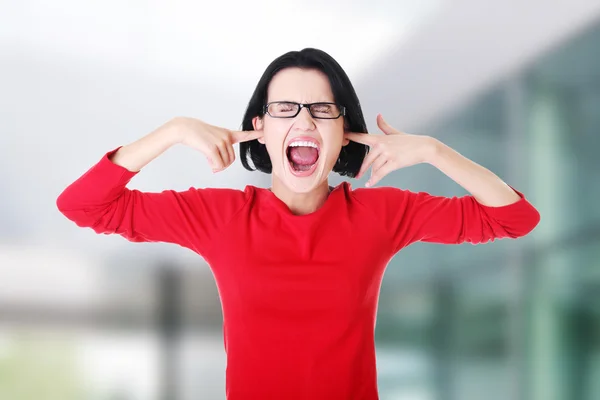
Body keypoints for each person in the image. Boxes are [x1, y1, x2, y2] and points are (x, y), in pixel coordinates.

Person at [56, 48, 540, 400]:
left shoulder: (380, 216)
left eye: (322, 110)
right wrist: (173, 131)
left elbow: (515, 218)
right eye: (284, 109)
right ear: (259, 128)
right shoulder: (220, 217)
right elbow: (83, 206)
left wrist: (435, 150)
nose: (303, 122)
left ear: (344, 131)